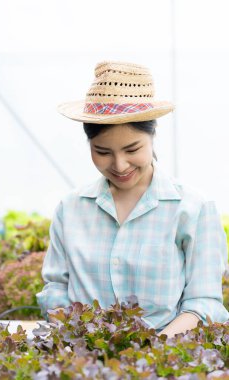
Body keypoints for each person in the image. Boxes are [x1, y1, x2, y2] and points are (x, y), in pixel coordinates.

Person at [36, 60, 229, 338]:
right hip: (82, 357)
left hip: (163, 356)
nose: (120, 165)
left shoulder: (192, 208)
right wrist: (83, 340)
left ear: (152, 136)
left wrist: (154, 350)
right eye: (102, 152)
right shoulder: (71, 208)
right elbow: (55, 288)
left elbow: (204, 303)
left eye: (132, 149)